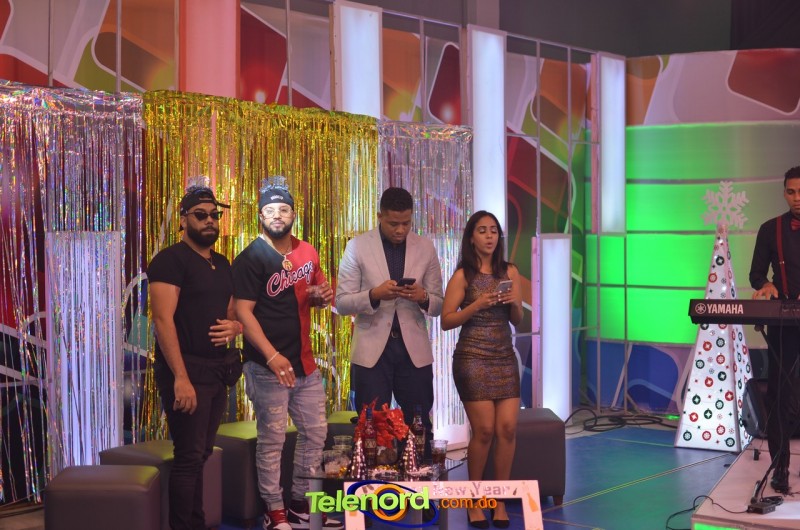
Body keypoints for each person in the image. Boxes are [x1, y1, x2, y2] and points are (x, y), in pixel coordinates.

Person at [232, 177, 342, 530]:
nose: (277, 215)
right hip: (267, 366)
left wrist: (321, 297)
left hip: (304, 363)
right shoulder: (250, 257)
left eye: (283, 209)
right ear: (260, 216)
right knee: (272, 440)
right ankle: (274, 511)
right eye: (270, 210)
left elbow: (318, 291)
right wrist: (271, 355)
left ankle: (300, 505)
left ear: (294, 214)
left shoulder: (307, 251)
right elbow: (243, 312)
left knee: (315, 434)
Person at [148, 185, 244, 530]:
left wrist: (236, 327)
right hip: (186, 368)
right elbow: (162, 321)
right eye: (200, 215)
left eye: (214, 215)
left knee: (201, 453)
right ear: (183, 219)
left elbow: (232, 311)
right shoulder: (169, 260)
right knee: (189, 456)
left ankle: (197, 523)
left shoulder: (222, 263)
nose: (209, 221)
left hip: (218, 370)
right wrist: (181, 377)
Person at [335, 187, 443, 452]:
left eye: (406, 223)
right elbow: (342, 302)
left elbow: (439, 304)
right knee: (372, 426)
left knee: (419, 423)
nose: (400, 230)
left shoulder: (425, 247)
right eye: (394, 223)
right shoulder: (357, 246)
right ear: (379, 216)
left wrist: (422, 296)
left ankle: (420, 476)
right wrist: (374, 295)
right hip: (372, 350)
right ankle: (373, 478)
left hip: (413, 349)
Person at [441, 210, 523, 529]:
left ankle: (498, 499)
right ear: (471, 238)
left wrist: (514, 302)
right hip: (472, 357)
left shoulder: (510, 271)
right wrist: (476, 305)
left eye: (493, 231)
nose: (489, 236)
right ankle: (475, 500)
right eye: (482, 231)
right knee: (485, 430)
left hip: (504, 357)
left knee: (508, 429)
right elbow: (447, 320)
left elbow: (517, 320)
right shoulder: (463, 275)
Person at [749, 165, 800, 494]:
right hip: (784, 322)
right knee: (780, 393)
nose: (797, 198)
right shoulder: (771, 229)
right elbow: (756, 274)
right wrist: (766, 285)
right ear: (784, 193)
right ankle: (780, 467)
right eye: (791, 192)